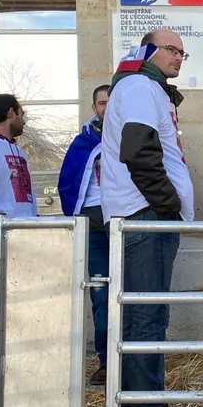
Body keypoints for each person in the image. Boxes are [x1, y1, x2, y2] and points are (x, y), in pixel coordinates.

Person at [101, 29, 195, 407]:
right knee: (146, 313)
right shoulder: (140, 85)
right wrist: (167, 202)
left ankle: (143, 402)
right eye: (173, 50)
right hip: (145, 213)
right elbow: (138, 149)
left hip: (147, 212)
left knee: (148, 311)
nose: (179, 58)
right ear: (150, 51)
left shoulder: (149, 88)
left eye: (183, 52)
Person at [58, 84, 110, 385]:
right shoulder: (83, 142)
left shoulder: (132, 136)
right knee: (101, 293)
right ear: (94, 108)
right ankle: (106, 360)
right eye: (101, 103)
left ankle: (139, 357)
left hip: (125, 217)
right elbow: (69, 181)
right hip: (93, 221)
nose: (106, 107)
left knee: (137, 290)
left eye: (111, 102)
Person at [0, 94, 36, 218]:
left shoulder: (19, 151)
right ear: (11, 113)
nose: (24, 122)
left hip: (27, 228)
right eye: (21, 114)